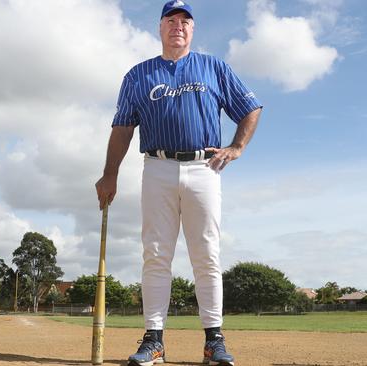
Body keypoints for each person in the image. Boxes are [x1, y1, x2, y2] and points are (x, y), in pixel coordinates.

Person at [95, 1, 262, 365]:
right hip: (157, 166)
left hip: (205, 167)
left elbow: (251, 107)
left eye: (185, 21)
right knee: (156, 254)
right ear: (160, 27)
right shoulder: (138, 75)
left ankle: (213, 340)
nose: (178, 26)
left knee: (207, 255)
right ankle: (154, 340)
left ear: (193, 29)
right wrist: (110, 173)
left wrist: (237, 147)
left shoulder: (213, 67)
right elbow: (123, 127)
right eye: (171, 20)